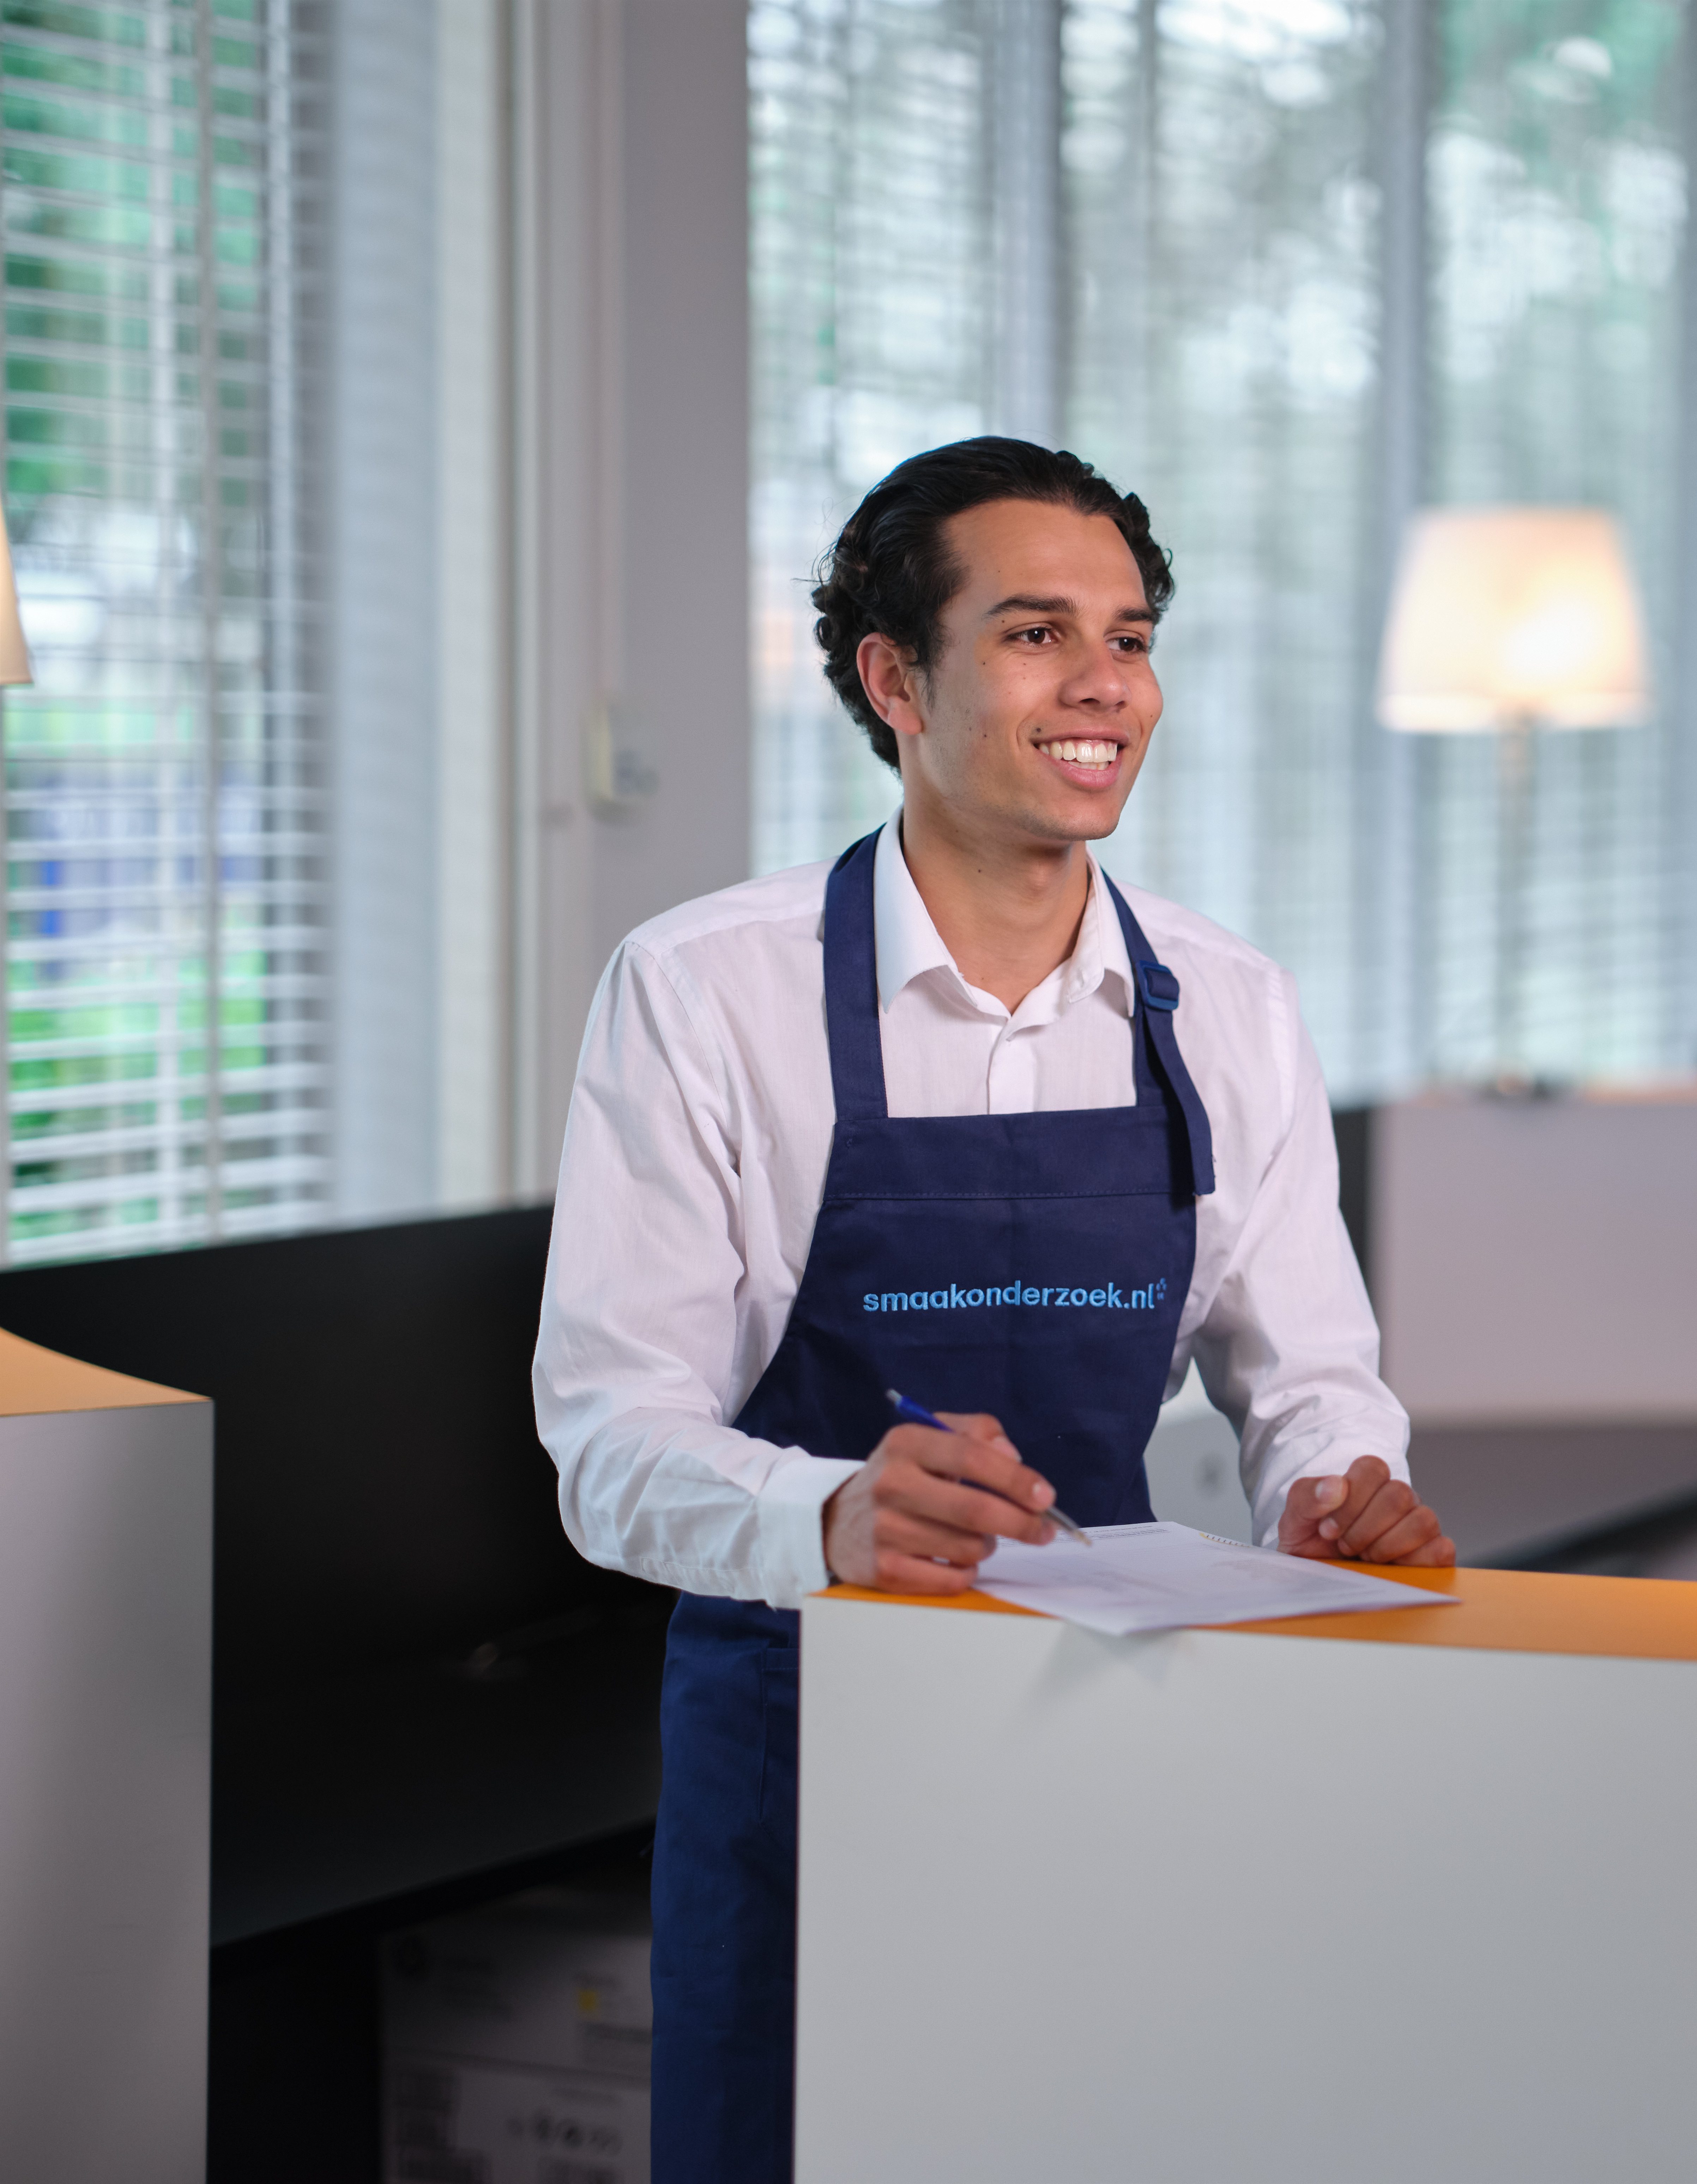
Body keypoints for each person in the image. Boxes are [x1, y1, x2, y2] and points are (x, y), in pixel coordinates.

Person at [532, 438, 1453, 2183]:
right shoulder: (703, 992)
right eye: (1036, 633)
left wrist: (1335, 1492)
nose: (1108, 681)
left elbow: (1313, 1378)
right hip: (802, 1748)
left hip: (1123, 1738)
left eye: (1132, 632)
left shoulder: (1231, 1007)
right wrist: (836, 1510)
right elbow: (607, 1439)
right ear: (895, 680)